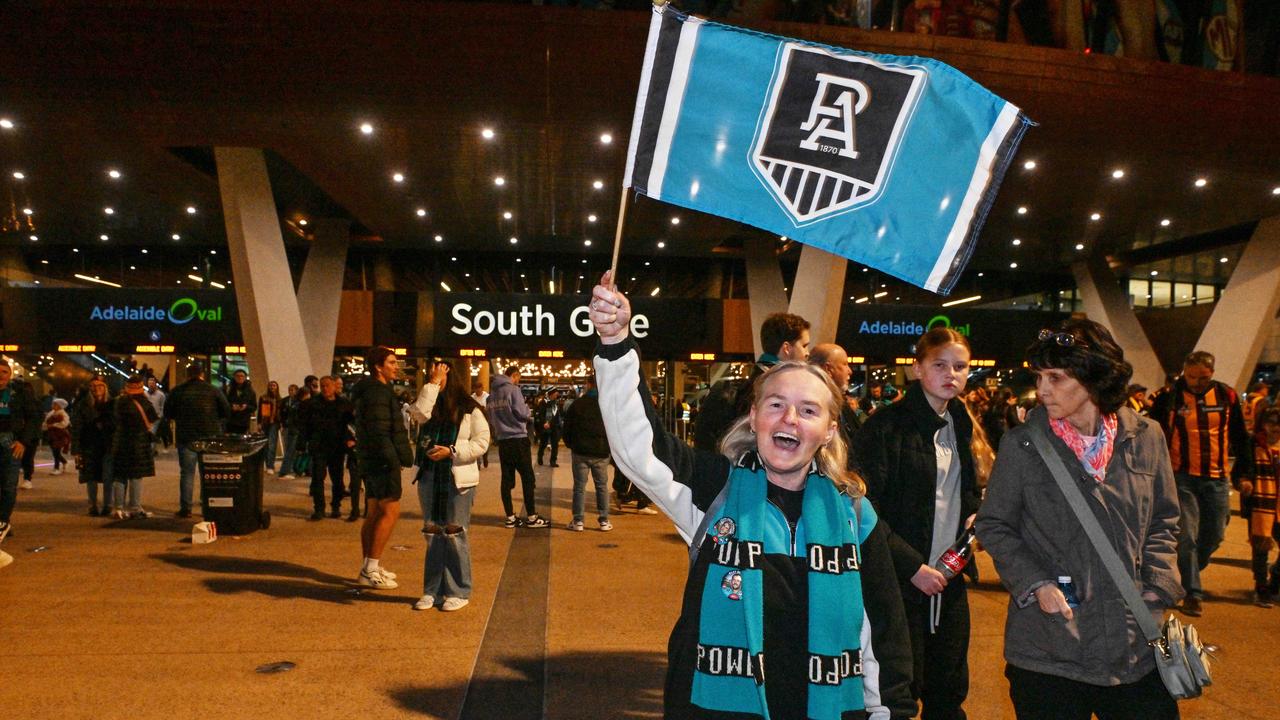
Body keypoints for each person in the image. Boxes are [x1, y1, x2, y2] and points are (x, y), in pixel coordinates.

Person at [588, 274, 914, 720]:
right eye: (776, 404)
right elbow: (637, 448)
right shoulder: (715, 490)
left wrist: (889, 711)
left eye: (809, 410)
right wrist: (616, 344)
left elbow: (884, 633)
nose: (791, 419)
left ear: (829, 430)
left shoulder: (855, 515)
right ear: (754, 414)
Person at [975, 320, 1182, 720]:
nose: (1043, 389)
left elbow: (1164, 519)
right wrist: (1036, 584)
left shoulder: (1147, 437)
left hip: (1134, 646)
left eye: (1056, 377)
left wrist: (1157, 584)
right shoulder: (1022, 445)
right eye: (1039, 376)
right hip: (1050, 649)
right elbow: (994, 524)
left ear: (1093, 377)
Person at [852, 327, 985, 720]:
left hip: (950, 576)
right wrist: (913, 567)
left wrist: (975, 515)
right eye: (939, 365)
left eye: (960, 367)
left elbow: (964, 488)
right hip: (898, 581)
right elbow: (862, 508)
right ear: (917, 369)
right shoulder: (885, 427)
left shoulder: (961, 423)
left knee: (949, 689)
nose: (951, 374)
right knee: (896, 692)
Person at [1149, 350, 1253, 617]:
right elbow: (1152, 434)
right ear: (1185, 372)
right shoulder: (1168, 397)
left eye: (1202, 377)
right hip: (1180, 476)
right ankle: (1193, 593)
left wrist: (1244, 473)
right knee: (1187, 537)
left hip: (1216, 477)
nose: (1196, 382)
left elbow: (1241, 437)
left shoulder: (1226, 396)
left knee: (1215, 533)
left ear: (1213, 373)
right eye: (1191, 376)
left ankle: (1188, 573)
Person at [407, 360, 490, 612]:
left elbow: (482, 442)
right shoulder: (429, 406)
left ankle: (458, 590)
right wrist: (432, 384)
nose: (434, 376)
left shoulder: (469, 409)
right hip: (429, 475)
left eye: (440, 372)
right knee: (432, 533)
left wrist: (453, 451)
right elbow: (418, 413)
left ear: (450, 375)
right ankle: (431, 590)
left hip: (458, 478)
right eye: (431, 373)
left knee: (455, 534)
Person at [694, 312, 811, 452]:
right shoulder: (773, 387)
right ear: (786, 348)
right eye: (804, 346)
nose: (807, 353)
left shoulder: (743, 386)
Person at [351, 346, 414, 589]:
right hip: (381, 459)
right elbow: (380, 430)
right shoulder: (378, 392)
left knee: (375, 511)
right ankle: (370, 568)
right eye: (391, 362)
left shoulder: (370, 391)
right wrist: (393, 458)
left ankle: (370, 566)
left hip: (370, 458)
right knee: (390, 510)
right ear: (378, 366)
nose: (395, 366)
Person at [164, 362, 230, 518]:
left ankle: (186, 508)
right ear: (202, 374)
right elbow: (226, 411)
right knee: (207, 473)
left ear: (187, 375)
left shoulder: (178, 391)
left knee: (187, 473)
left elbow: (168, 413)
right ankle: (207, 503)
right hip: (209, 436)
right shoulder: (213, 390)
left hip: (186, 437)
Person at [488, 366, 549, 528]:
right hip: (518, 439)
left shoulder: (492, 395)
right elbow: (523, 413)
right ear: (514, 376)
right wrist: (528, 411)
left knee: (506, 479)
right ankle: (531, 517)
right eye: (518, 378)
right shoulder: (513, 390)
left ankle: (510, 517)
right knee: (527, 478)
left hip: (503, 441)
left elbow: (491, 418)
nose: (518, 381)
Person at [1238, 407, 1280, 607]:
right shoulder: (1253, 443)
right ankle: (1261, 587)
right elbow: (1241, 469)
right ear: (1263, 423)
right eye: (1272, 422)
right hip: (1261, 505)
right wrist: (1244, 481)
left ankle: (1276, 580)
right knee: (1261, 549)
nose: (1276, 427)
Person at [562, 375, 613, 532]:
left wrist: (572, 444)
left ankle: (578, 521)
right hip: (601, 452)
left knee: (579, 487)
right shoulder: (607, 405)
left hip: (581, 452)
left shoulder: (577, 404)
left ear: (589, 385)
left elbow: (567, 428)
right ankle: (604, 520)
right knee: (602, 486)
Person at [300, 376, 354, 520]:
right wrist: (302, 443)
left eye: (327, 385)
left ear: (334, 386)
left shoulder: (344, 404)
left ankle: (336, 506)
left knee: (337, 479)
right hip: (319, 446)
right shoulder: (312, 404)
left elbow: (351, 423)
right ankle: (319, 509)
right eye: (322, 386)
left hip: (337, 447)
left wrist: (351, 440)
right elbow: (304, 425)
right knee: (318, 479)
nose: (324, 388)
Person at [0, 361, 40, 543]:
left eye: (4, 372)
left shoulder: (20, 393)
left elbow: (33, 418)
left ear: (9, 375)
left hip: (11, 443)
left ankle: (3, 521)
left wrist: (23, 441)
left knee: (8, 486)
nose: (1, 375)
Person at [111, 374, 159, 519]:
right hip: (139, 443)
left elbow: (114, 420)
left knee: (120, 476)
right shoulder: (144, 402)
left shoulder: (119, 402)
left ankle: (118, 508)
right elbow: (153, 417)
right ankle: (135, 507)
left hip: (121, 442)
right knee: (136, 476)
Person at [71, 378, 115, 516]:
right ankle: (93, 505)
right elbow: (77, 427)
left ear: (105, 387)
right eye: (93, 386)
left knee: (108, 477)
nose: (97, 389)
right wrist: (76, 449)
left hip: (108, 445)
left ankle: (108, 505)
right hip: (89, 445)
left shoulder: (112, 404)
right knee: (91, 477)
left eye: (100, 386)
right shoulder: (83, 405)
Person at [809, 343, 861, 444]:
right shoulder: (816, 405)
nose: (850, 371)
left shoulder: (841, 405)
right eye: (845, 364)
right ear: (828, 369)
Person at [257, 380, 282, 474]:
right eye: (271, 385)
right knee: (265, 444)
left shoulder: (280, 399)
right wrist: (259, 423)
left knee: (272, 444)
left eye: (274, 385)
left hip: (275, 423)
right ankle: (267, 464)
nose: (272, 387)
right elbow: (260, 411)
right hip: (265, 422)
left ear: (277, 387)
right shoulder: (263, 398)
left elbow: (281, 413)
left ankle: (270, 465)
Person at [42, 398, 72, 475]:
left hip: (60, 435)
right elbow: (45, 423)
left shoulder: (63, 414)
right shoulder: (51, 413)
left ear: (59, 406)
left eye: (55, 404)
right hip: (52, 435)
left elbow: (64, 423)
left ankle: (56, 468)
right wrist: (46, 427)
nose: (53, 405)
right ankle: (64, 462)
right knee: (55, 451)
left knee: (56, 450)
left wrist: (53, 425)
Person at [277, 383, 302, 479]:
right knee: (288, 449)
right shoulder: (285, 401)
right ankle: (286, 470)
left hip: (295, 427)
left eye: (293, 390)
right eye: (289, 390)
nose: (291, 392)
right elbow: (281, 413)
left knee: (292, 450)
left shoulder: (298, 402)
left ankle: (289, 469)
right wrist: (282, 423)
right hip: (287, 427)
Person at [536, 388, 564, 467]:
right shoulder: (543, 402)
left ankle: (553, 461)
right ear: (551, 394)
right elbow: (540, 414)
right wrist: (544, 423)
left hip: (554, 426)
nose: (557, 395)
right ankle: (540, 456)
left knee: (555, 444)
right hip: (545, 426)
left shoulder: (556, 403)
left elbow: (557, 414)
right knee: (543, 444)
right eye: (556, 393)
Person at [224, 369, 256, 434]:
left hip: (243, 421)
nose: (240, 378)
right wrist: (231, 407)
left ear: (245, 377)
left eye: (242, 376)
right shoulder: (228, 389)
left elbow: (254, 406)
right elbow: (223, 403)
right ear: (234, 377)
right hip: (230, 420)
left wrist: (246, 407)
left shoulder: (250, 391)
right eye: (237, 376)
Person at [470, 381, 491, 468]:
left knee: (484, 438)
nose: (477, 390)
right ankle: (478, 462)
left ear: (482, 388)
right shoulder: (472, 397)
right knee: (475, 439)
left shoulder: (487, 397)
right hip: (474, 420)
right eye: (476, 389)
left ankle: (485, 456)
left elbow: (489, 409)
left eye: (479, 388)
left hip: (485, 420)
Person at [145, 376, 168, 450]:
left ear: (155, 384)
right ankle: (151, 449)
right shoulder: (145, 394)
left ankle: (151, 450)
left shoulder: (161, 395)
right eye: (149, 384)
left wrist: (160, 416)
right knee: (149, 434)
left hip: (156, 417)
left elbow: (163, 406)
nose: (151, 385)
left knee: (153, 432)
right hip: (146, 417)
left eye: (152, 384)